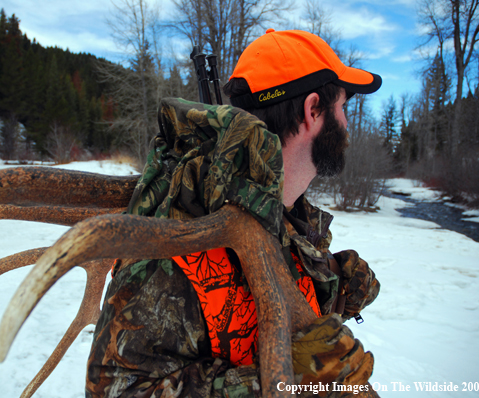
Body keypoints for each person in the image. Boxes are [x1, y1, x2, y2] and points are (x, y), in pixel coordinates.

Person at [86, 29, 381, 398]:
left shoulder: (287, 215)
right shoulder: (179, 246)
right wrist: (283, 382)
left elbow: (273, 293)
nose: (348, 124)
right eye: (342, 107)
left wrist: (341, 281)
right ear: (313, 109)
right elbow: (117, 390)